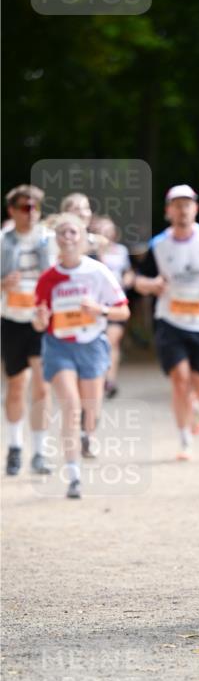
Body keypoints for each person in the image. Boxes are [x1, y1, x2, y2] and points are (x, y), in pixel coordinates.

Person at [134, 185, 199, 460]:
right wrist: (152, 284)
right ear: (168, 211)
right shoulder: (159, 244)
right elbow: (137, 281)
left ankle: (196, 404)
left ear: (196, 209)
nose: (182, 210)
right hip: (171, 319)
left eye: (187, 204)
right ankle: (184, 439)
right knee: (180, 380)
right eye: (177, 205)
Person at [33, 214, 129, 498]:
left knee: (91, 410)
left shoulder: (98, 272)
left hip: (92, 346)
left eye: (73, 232)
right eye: (62, 233)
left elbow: (123, 311)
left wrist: (99, 310)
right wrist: (39, 318)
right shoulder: (48, 278)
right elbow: (39, 323)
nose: (68, 237)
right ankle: (73, 475)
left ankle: (89, 435)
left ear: (84, 238)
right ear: (56, 240)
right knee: (71, 407)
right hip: (59, 346)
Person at [1, 184, 55, 476]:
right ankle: (15, 446)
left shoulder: (50, 241)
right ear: (12, 211)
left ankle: (40, 451)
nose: (30, 213)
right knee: (17, 385)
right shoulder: (2, 241)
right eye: (24, 207)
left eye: (35, 207)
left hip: (41, 320)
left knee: (42, 386)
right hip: (11, 319)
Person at [90, 214, 136, 398]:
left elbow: (129, 271)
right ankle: (95, 377)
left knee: (112, 340)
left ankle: (109, 379)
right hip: (93, 305)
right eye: (100, 229)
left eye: (108, 230)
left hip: (115, 303)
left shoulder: (121, 251)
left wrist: (128, 279)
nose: (105, 233)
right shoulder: (88, 253)